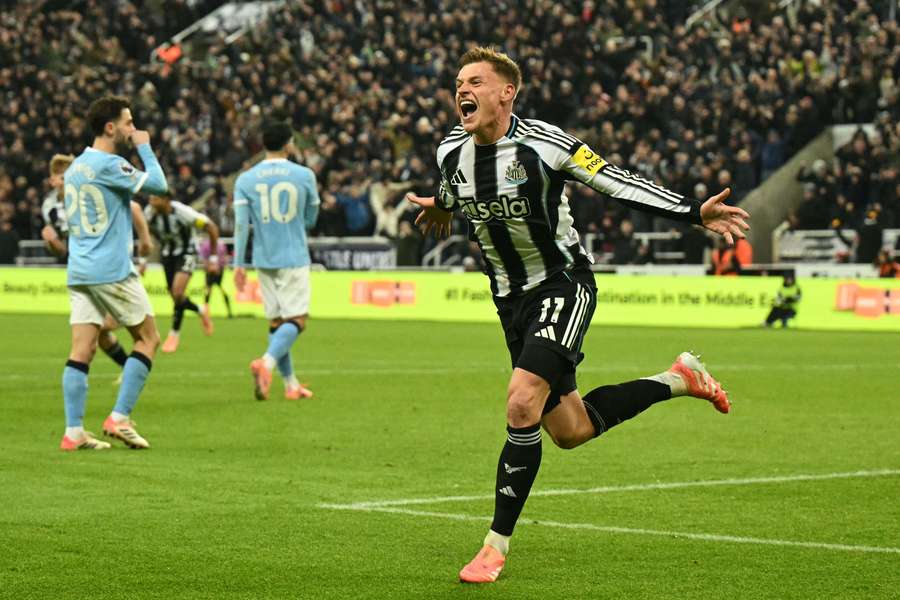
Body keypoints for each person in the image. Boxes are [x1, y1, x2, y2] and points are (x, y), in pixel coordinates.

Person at [407, 47, 750, 584]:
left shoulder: (547, 144)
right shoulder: (450, 149)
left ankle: (494, 547)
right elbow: (454, 190)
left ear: (506, 92)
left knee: (522, 402)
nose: (461, 90)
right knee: (570, 429)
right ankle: (679, 378)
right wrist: (440, 207)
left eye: (474, 81)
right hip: (509, 302)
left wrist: (690, 211)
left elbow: (615, 180)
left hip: (562, 286)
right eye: (457, 82)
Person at [60, 95, 167, 451]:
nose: (132, 129)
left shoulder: (75, 167)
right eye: (128, 122)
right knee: (149, 338)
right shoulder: (110, 163)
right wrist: (146, 147)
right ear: (110, 127)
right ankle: (119, 417)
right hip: (111, 269)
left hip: (79, 268)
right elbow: (159, 185)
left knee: (82, 349)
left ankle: (74, 431)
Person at [42, 153, 153, 375]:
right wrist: (52, 244)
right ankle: (127, 368)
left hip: (114, 269)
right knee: (99, 337)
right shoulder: (51, 210)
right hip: (85, 272)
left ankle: (132, 370)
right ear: (53, 181)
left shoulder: (89, 191)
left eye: (66, 175)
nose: (64, 181)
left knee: (104, 331)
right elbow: (63, 250)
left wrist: (145, 244)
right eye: (60, 177)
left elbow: (135, 209)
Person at [232, 118, 320, 401]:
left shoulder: (245, 179)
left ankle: (291, 385)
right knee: (297, 320)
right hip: (293, 255)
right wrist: (298, 223)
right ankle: (266, 363)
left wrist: (238, 264)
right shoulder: (304, 175)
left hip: (263, 257)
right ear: (288, 144)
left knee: (277, 322)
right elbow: (311, 217)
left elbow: (241, 225)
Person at [144, 193, 218, 352]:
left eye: (155, 198)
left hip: (187, 252)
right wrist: (143, 261)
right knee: (175, 296)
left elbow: (211, 227)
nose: (151, 201)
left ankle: (174, 335)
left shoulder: (183, 213)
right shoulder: (149, 213)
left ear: (166, 200)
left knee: (177, 293)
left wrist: (212, 258)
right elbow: (146, 233)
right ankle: (200, 310)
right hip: (167, 254)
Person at [199, 237, 233, 317]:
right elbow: (204, 259)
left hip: (218, 271)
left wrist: (220, 267)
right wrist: (208, 268)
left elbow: (223, 257)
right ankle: (205, 312)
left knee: (217, 290)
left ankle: (229, 312)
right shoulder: (208, 244)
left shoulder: (219, 244)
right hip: (211, 271)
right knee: (209, 291)